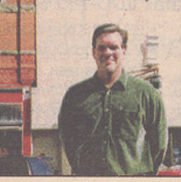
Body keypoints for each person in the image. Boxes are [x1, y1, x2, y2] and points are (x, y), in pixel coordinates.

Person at [58, 23, 167, 176]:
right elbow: (69, 141)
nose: (107, 52)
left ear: (123, 51)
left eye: (113, 47)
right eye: (102, 48)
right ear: (93, 52)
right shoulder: (75, 96)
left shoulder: (147, 94)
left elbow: (159, 144)